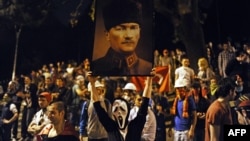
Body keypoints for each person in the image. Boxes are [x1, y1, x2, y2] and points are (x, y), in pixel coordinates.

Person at [88, 68, 154, 141]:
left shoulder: (135, 126)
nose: (119, 112)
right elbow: (97, 106)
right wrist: (92, 84)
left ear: (128, 111)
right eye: (115, 109)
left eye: (122, 109)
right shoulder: (111, 127)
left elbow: (145, 103)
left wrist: (149, 81)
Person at [91, 0, 152, 76]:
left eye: (133, 28)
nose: (128, 36)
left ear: (139, 33)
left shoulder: (148, 69)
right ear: (107, 35)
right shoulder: (95, 68)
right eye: (120, 29)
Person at [205, 77, 236, 141]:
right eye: (234, 91)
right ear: (230, 91)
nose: (235, 94)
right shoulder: (216, 110)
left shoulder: (226, 106)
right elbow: (214, 138)